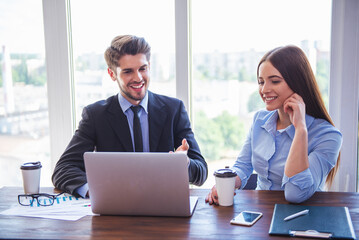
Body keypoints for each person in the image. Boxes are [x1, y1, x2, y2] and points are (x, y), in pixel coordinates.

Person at [52, 35, 208, 198]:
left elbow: (201, 173)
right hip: (117, 207)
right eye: (128, 71)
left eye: (142, 68)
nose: (138, 78)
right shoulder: (96, 116)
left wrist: (183, 163)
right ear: (112, 74)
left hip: (165, 206)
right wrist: (95, 191)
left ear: (149, 66)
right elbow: (63, 169)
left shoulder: (173, 110)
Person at [205, 45, 342, 204]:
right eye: (261, 82)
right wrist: (224, 186)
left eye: (275, 81)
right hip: (261, 214)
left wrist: (300, 130)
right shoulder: (259, 120)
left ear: (297, 82)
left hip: (304, 217)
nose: (264, 89)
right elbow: (243, 166)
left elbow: (295, 194)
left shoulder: (328, 136)